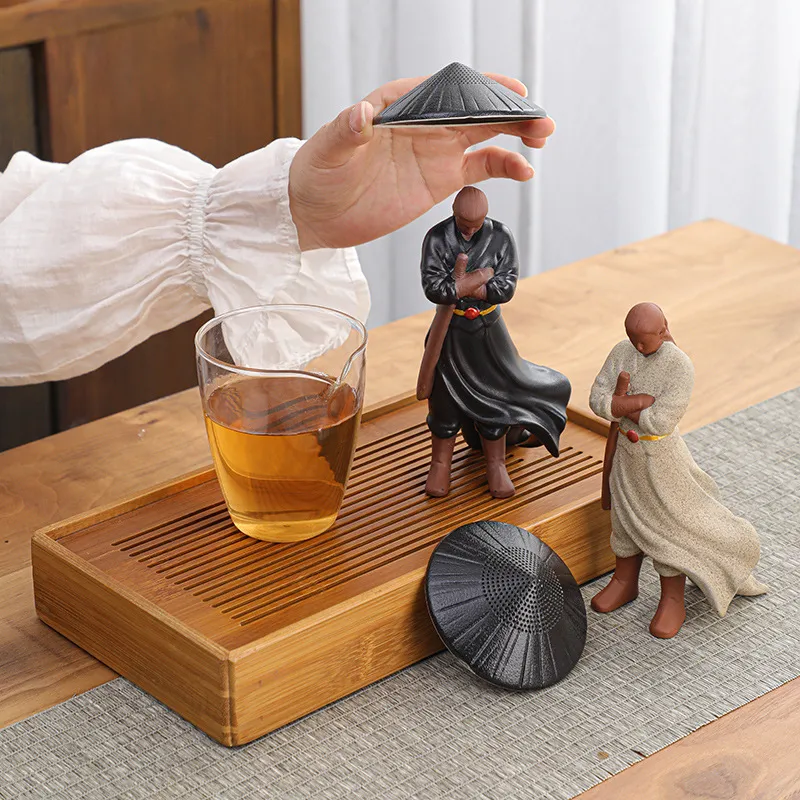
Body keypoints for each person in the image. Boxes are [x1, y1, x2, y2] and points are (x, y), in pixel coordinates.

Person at [0, 73, 554, 385]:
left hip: (482, 334)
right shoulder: (442, 242)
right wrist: (461, 282)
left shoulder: (497, 240)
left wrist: (287, 214)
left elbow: (33, 257)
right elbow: (31, 293)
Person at [588, 302, 767, 639]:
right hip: (626, 458)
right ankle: (624, 580)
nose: (638, 347)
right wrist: (634, 403)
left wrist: (624, 405)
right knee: (624, 522)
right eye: (633, 339)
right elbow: (597, 398)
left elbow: (661, 420)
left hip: (660, 460)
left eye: (644, 340)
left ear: (663, 329)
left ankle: (672, 599)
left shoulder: (679, 366)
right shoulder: (622, 352)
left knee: (667, 527)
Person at [419, 186, 571, 499]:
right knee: (443, 399)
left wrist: (468, 286)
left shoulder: (500, 237)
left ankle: (496, 464)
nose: (470, 230)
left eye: (476, 225)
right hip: (449, 331)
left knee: (495, 396)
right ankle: (440, 464)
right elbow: (433, 286)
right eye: (464, 224)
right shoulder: (437, 238)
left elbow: (506, 285)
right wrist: (473, 280)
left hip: (487, 332)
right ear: (454, 214)